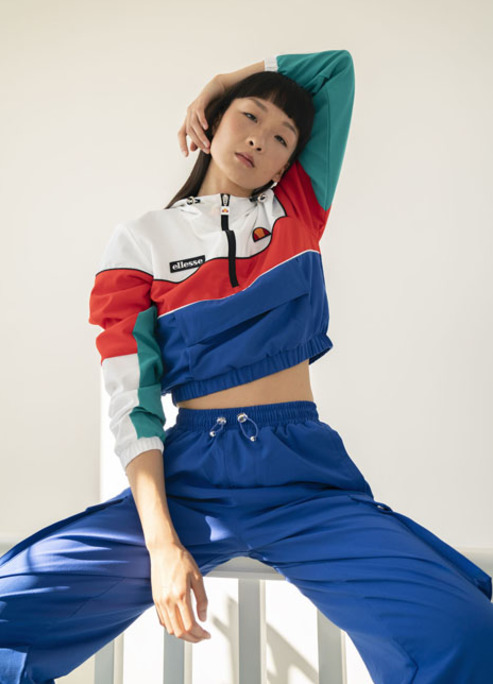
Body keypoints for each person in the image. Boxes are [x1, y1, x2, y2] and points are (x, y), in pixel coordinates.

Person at [1, 49, 492, 684]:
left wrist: (223, 82)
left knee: (464, 629)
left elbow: (335, 69)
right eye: (249, 116)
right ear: (212, 127)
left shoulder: (298, 211)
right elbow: (131, 401)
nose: (261, 138)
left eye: (282, 138)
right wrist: (162, 545)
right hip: (189, 481)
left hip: (304, 480)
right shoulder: (141, 241)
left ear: (290, 164)